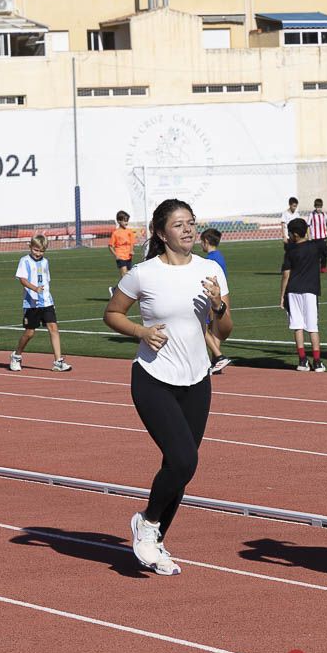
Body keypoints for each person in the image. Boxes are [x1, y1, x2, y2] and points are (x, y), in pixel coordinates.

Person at [104, 198, 232, 576]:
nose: (188, 229)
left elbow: (223, 332)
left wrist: (218, 308)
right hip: (153, 379)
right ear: (161, 233)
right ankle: (147, 522)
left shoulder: (210, 270)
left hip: (197, 380)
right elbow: (112, 314)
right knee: (183, 459)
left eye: (191, 222)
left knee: (179, 467)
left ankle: (155, 539)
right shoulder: (143, 274)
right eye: (179, 224)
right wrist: (141, 331)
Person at [281, 217, 327, 372]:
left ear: (294, 235)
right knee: (312, 327)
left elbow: (286, 275)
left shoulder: (290, 250)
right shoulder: (316, 245)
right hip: (310, 291)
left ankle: (302, 361)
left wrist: (282, 295)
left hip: (293, 290)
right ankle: (317, 361)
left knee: (298, 326)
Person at [10, 235, 72, 373]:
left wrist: (49, 298)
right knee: (30, 333)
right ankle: (16, 356)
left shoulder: (45, 262)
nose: (38, 253)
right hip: (31, 303)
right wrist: (34, 289)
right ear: (30, 247)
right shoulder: (24, 261)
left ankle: (58, 361)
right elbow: (22, 279)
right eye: (36, 250)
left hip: (47, 302)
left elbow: (46, 280)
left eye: (41, 251)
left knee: (53, 328)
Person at [200, 228, 231, 374]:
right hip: (220, 294)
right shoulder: (220, 256)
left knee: (205, 328)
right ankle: (216, 360)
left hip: (212, 296)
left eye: (201, 242)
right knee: (215, 328)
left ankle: (218, 357)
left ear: (206, 242)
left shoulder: (210, 260)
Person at [107, 210, 136, 297]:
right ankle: (123, 295)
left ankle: (115, 289)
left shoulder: (129, 232)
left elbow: (132, 243)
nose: (126, 222)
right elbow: (110, 246)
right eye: (124, 220)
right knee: (124, 276)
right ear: (119, 221)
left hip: (128, 256)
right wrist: (116, 255)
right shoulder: (115, 233)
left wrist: (131, 250)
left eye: (127, 220)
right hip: (121, 256)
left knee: (128, 277)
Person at [309, 198, 327, 273]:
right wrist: (309, 236)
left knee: (324, 253)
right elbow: (308, 225)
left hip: (323, 237)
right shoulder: (311, 214)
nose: (318, 209)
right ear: (315, 206)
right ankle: (314, 268)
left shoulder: (324, 214)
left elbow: (326, 225)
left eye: (320, 207)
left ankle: (323, 268)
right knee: (315, 254)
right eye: (317, 207)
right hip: (315, 238)